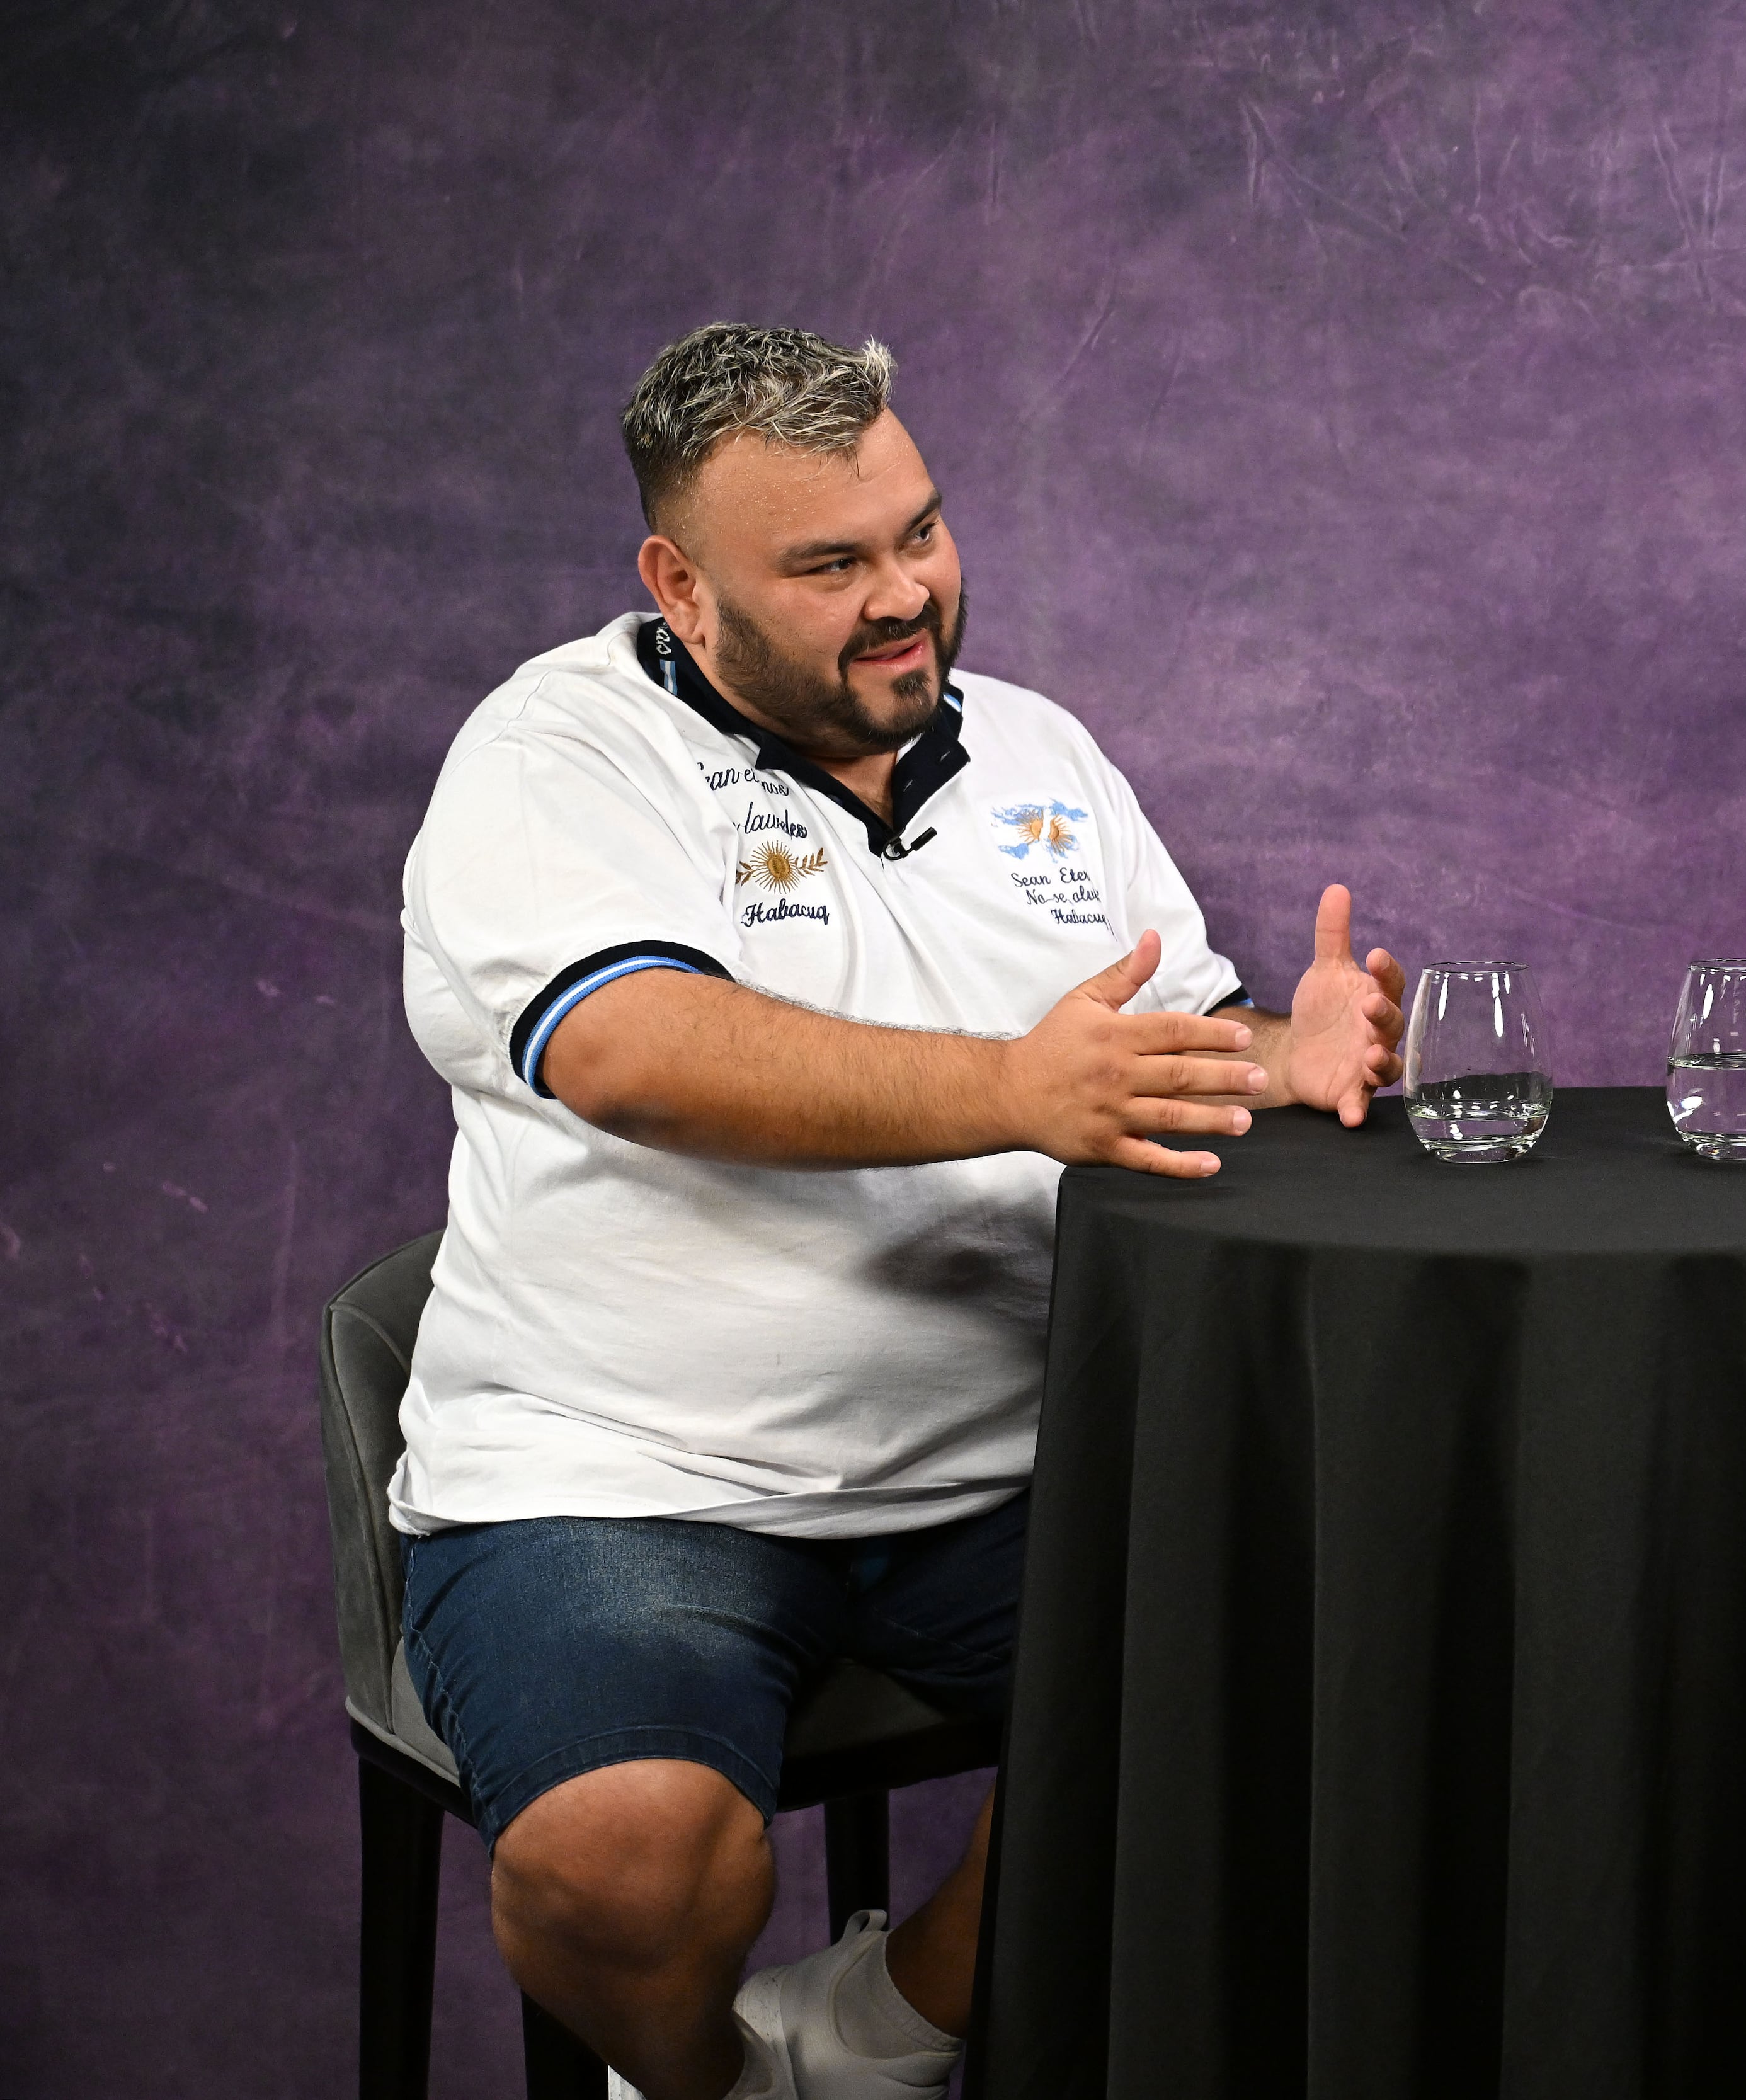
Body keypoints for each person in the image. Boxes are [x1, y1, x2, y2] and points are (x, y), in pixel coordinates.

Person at [392, 322, 1406, 2100]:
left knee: (1363, 1670)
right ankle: (698, 2083)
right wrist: (1010, 1088)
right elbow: (630, 1046)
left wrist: (1280, 1052)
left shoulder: (1038, 753)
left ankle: (874, 2041)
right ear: (681, 584)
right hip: (630, 1480)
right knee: (625, 1865)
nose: (904, 596)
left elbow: (1139, 1058)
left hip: (1014, 1473)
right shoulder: (554, 752)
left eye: (919, 533)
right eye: (831, 564)